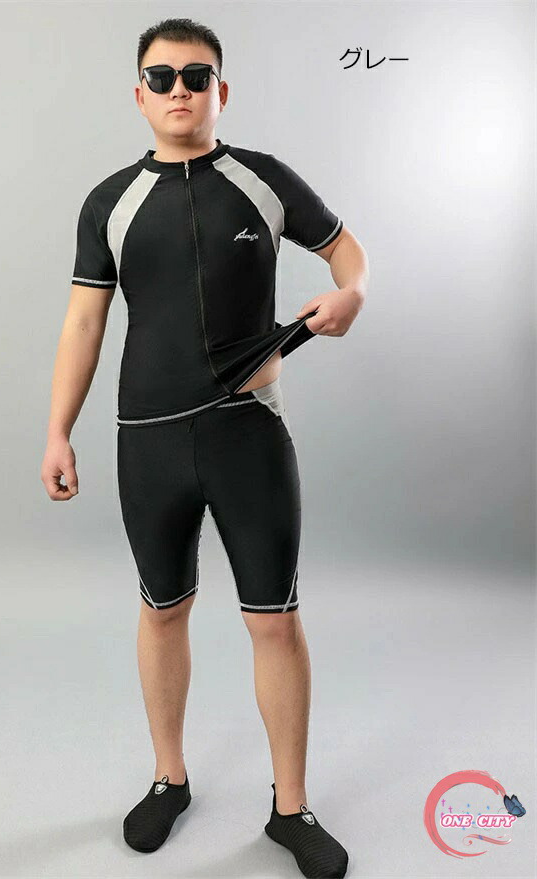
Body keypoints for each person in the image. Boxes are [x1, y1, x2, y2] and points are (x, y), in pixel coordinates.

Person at [41, 16, 368, 879]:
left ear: (221, 90)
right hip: (147, 442)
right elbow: (84, 324)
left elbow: (348, 254)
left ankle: (291, 808)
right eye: (162, 77)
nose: (179, 90)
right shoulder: (109, 202)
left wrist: (353, 293)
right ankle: (169, 778)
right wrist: (56, 431)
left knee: (274, 618)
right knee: (162, 608)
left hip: (245, 431)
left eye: (196, 76)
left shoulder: (263, 180)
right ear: (139, 94)